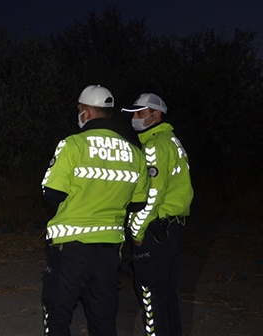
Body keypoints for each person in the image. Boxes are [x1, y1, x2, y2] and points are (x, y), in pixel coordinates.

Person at [40, 85, 150, 336]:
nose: (78, 115)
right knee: (103, 321)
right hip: (110, 252)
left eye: (79, 110)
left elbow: (52, 194)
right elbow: (138, 203)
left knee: (58, 316)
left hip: (71, 248)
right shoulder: (135, 153)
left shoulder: (72, 145)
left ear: (87, 113)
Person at [122, 93, 193, 336]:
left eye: (140, 113)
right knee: (166, 295)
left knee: (150, 296)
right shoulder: (171, 140)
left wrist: (137, 232)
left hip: (156, 230)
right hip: (173, 226)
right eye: (134, 114)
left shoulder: (155, 146)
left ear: (157, 114)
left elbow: (152, 197)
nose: (135, 118)